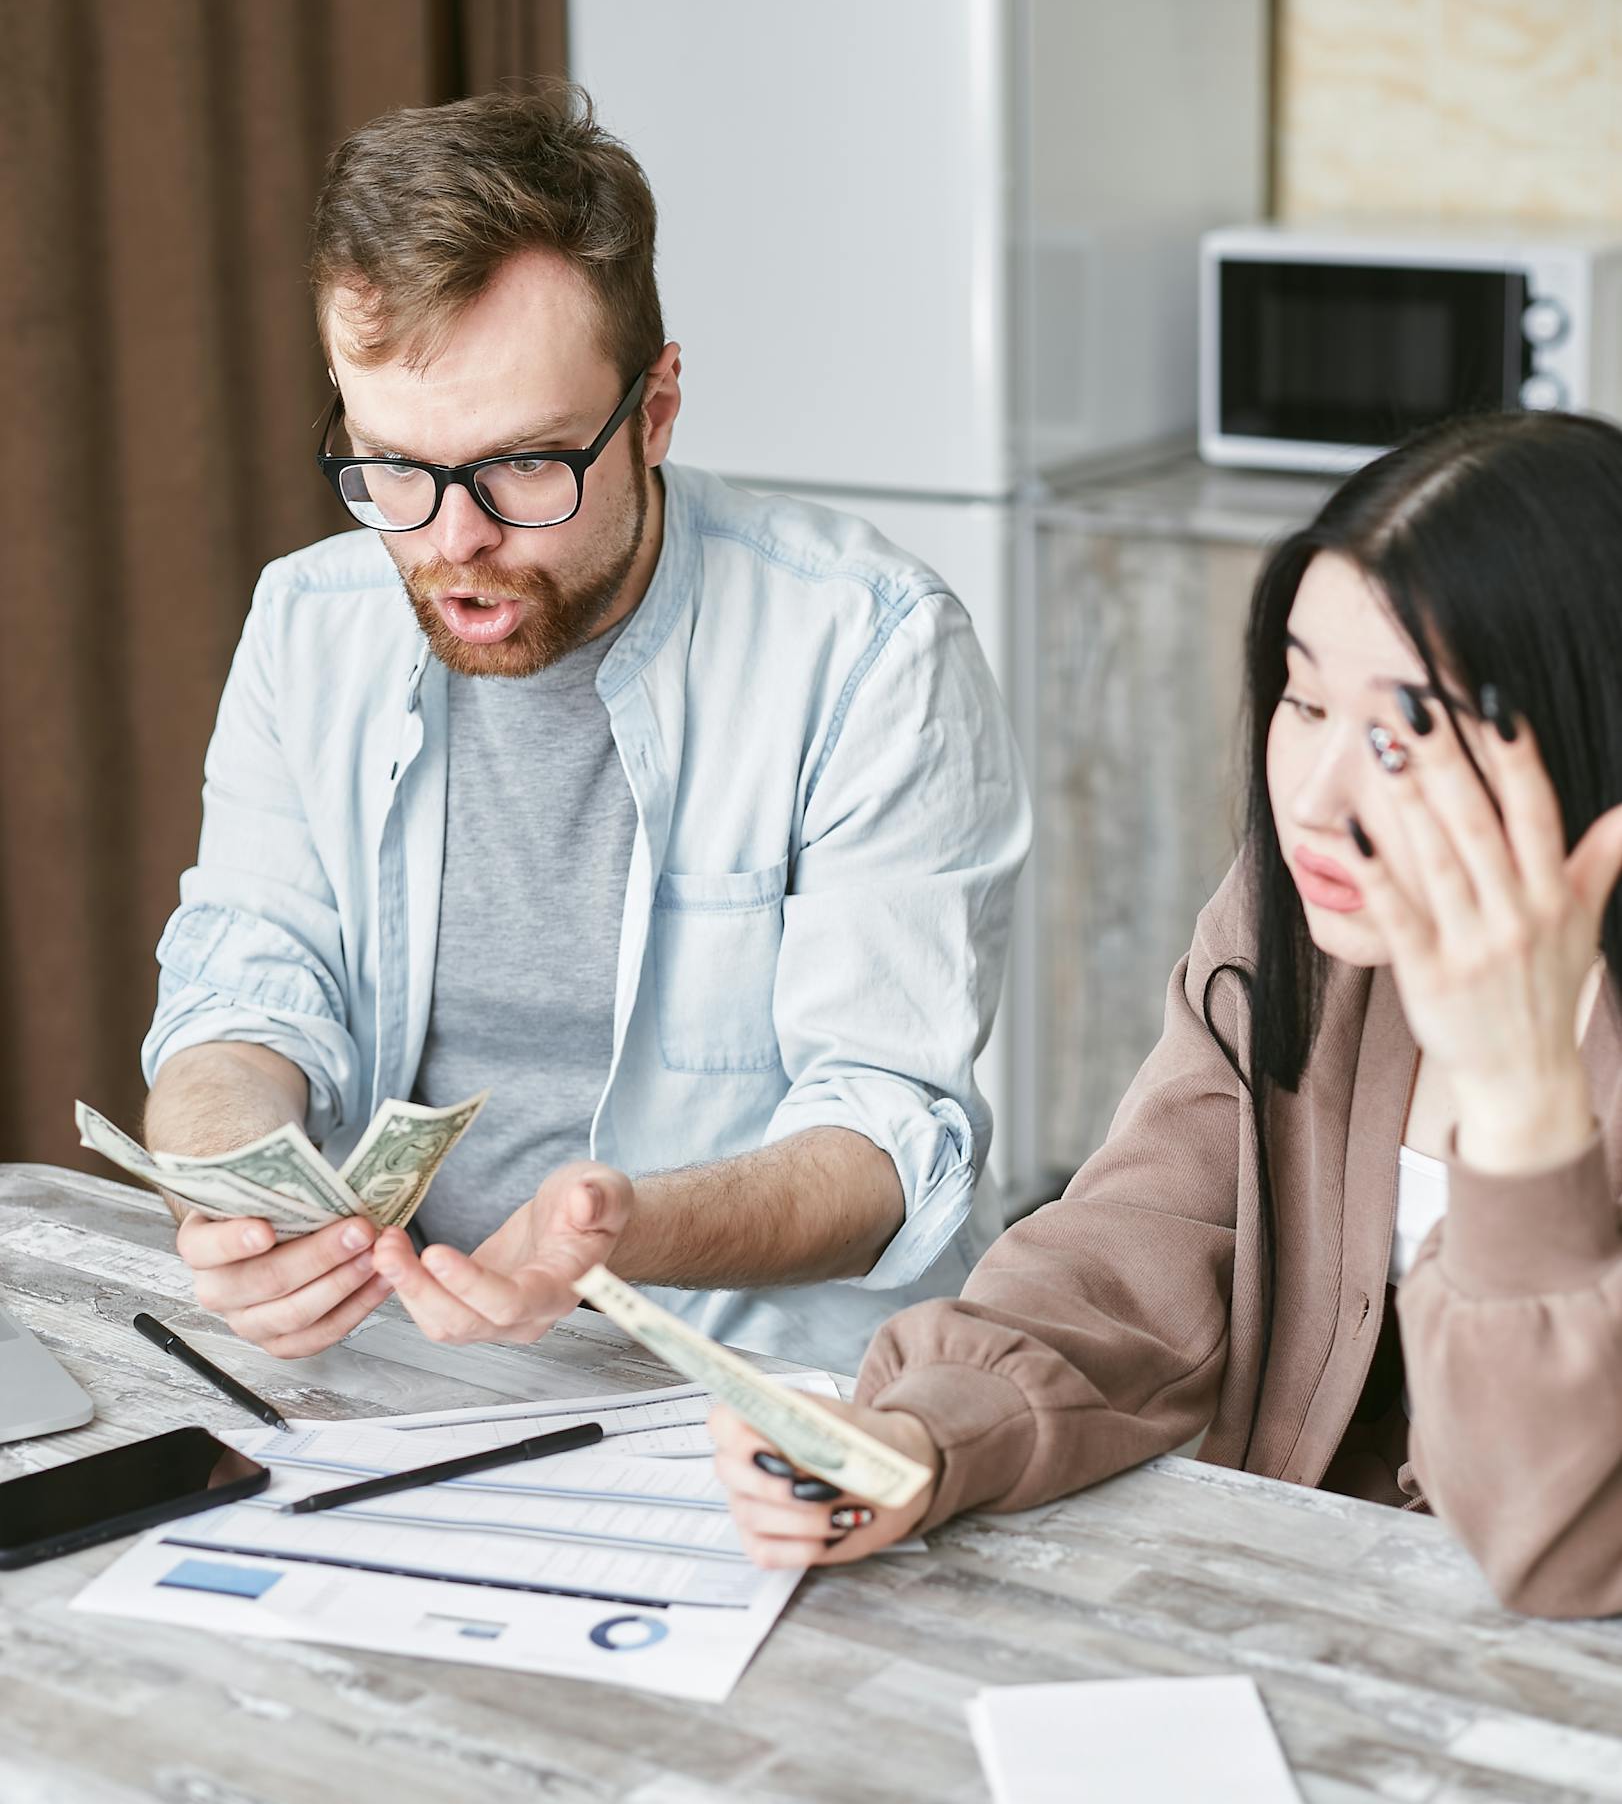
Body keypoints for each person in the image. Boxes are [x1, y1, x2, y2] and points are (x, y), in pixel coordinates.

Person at [141, 84, 1028, 1372]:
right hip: (389, 1361)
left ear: (655, 410)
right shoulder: (307, 617)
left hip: (756, 1382)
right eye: (391, 465)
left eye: (522, 465)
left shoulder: (869, 644)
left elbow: (889, 1135)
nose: (452, 541)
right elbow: (247, 980)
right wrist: (228, 1188)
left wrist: (611, 1234)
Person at [711, 410, 1622, 1619]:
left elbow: (1559, 1543)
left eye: (1401, 728)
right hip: (1291, 1619)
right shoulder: (1300, 913)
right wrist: (922, 1430)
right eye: (1301, 701)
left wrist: (1517, 1112)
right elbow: (1142, 1228)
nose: (1315, 795)